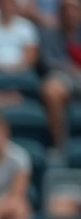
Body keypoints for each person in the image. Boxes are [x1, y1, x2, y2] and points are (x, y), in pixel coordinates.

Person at [40, 0, 81, 152]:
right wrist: (71, 69)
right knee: (51, 90)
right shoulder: (49, 34)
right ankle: (59, 146)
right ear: (59, 12)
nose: (69, 13)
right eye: (65, 9)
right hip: (62, 76)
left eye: (74, 9)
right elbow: (48, 61)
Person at [0, 0, 39, 73]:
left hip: (21, 71)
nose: (6, 7)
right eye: (3, 3)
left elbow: (31, 56)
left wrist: (15, 68)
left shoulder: (27, 26)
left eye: (9, 4)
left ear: (14, 5)